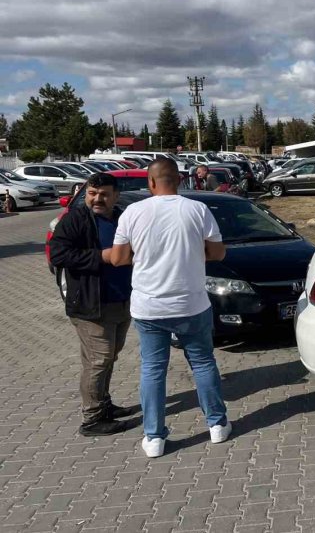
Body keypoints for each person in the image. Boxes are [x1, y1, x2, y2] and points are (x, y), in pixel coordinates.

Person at [111, 158, 230, 458]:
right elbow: (217, 252)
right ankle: (217, 425)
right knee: (203, 363)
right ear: (179, 179)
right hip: (191, 303)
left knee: (152, 370)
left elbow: (118, 258)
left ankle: (154, 438)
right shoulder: (196, 209)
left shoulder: (133, 212)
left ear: (150, 182)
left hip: (149, 306)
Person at [49, 173, 137, 436]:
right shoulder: (76, 219)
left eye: (104, 194)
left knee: (110, 357)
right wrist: (102, 256)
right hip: (91, 304)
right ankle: (92, 419)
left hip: (121, 300)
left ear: (116, 196)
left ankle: (103, 404)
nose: (97, 199)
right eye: (92, 193)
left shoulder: (123, 217)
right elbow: (59, 254)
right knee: (98, 360)